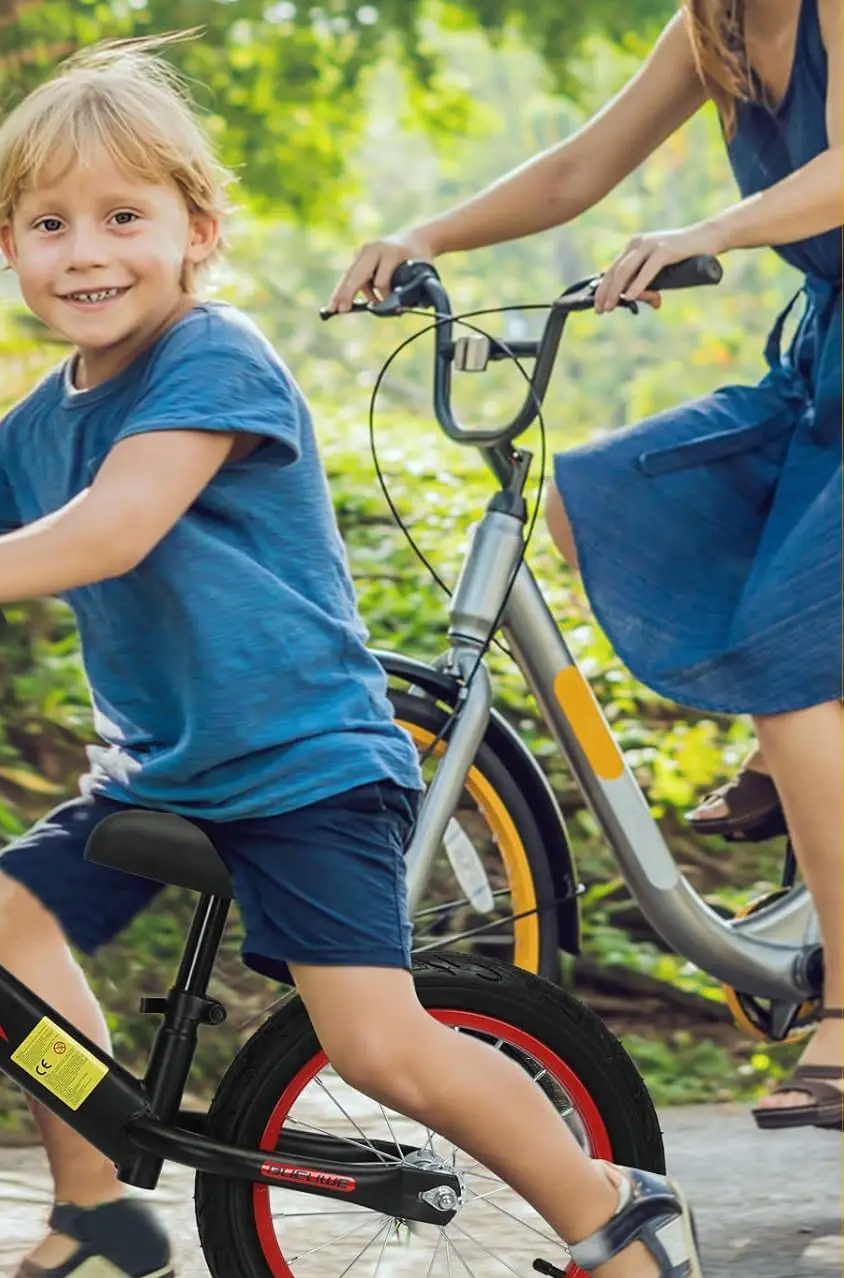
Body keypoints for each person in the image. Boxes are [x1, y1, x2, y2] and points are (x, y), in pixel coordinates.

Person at [0, 37, 713, 1278]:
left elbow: (109, 534)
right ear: (4, 245)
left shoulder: (213, 360)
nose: (85, 252)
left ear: (198, 234)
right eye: (49, 225)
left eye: (123, 218)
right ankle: (100, 1217)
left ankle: (614, 1222)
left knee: (378, 1048)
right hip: (161, 770)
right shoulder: (41, 418)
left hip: (305, 770)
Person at [331, 0, 840, 1130]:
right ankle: (798, 776)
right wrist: (428, 238)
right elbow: (578, 169)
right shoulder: (708, 26)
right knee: (598, 496)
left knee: (788, 656)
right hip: (826, 363)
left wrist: (707, 232)